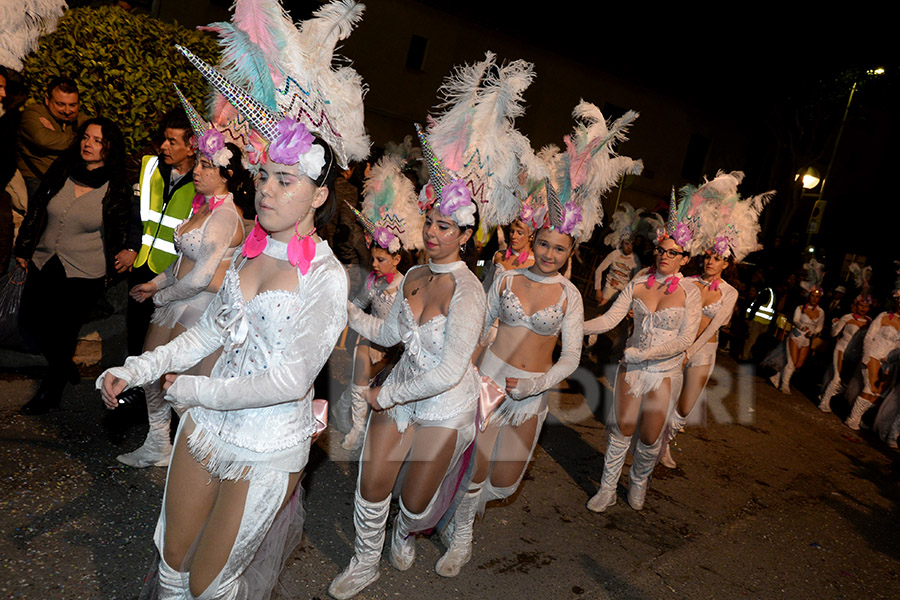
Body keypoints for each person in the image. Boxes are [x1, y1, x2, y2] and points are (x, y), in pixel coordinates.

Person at [97, 1, 371, 596]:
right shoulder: (251, 248)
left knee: (207, 584)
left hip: (267, 445)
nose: (267, 190)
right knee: (172, 566)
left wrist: (192, 389)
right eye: (264, 176)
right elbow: (212, 331)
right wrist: (138, 366)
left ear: (320, 195)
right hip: (205, 427)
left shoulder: (327, 279)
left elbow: (289, 380)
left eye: (285, 180)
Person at [328, 52, 533, 599]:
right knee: (372, 483)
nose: (436, 234)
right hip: (401, 396)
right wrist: (345, 310)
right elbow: (393, 334)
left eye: (446, 226)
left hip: (442, 401)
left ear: (465, 234)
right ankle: (364, 560)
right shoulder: (414, 272)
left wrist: (383, 392)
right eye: (432, 223)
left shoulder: (468, 291)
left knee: (415, 502)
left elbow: (445, 372)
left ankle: (406, 527)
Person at [435, 99, 641, 578]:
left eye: (559, 248)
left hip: (531, 389)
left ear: (572, 249)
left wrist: (538, 384)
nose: (548, 253)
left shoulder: (569, 295)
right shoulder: (505, 278)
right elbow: (483, 325)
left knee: (505, 481)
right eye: (544, 244)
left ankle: (463, 508)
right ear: (537, 242)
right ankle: (460, 531)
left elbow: (572, 356)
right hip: (489, 379)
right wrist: (467, 366)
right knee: (477, 468)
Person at [116, 91, 254, 468]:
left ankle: (196, 454)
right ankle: (159, 440)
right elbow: (180, 262)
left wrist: (163, 296)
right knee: (150, 370)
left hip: (199, 307)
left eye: (208, 166)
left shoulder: (224, 217)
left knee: (179, 383)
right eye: (201, 163)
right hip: (176, 298)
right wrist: (156, 285)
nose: (198, 170)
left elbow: (202, 277)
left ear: (226, 175)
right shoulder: (200, 206)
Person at [583, 191, 701, 513]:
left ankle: (638, 479)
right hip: (631, 369)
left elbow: (685, 339)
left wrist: (644, 356)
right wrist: (576, 326)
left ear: (685, 258)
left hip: (663, 373)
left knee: (649, 438)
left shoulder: (691, 292)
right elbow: (610, 318)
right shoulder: (638, 282)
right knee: (623, 428)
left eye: (673, 252)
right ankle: (607, 489)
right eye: (661, 250)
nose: (664, 256)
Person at [14, 117, 131, 414]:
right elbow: (37, 207)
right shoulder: (62, 169)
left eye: (97, 141)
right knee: (29, 321)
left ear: (109, 148)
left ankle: (50, 394)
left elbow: (128, 223)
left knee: (64, 331)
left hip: (85, 271)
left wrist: (129, 249)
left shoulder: (116, 184)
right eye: (86, 137)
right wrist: (24, 247)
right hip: (45, 260)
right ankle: (63, 365)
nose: (88, 144)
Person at [658, 172, 770, 468]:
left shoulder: (730, 293)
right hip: (676, 348)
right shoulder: (687, 281)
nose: (710, 261)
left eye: (717, 258)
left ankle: (666, 441)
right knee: (665, 399)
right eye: (708, 256)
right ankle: (654, 441)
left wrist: (689, 353)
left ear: (727, 262)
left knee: (685, 405)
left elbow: (714, 326)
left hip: (701, 352)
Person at [337, 154, 422, 451]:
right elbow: (359, 304)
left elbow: (405, 328)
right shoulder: (373, 281)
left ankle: (362, 420)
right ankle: (358, 429)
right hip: (370, 339)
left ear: (397, 258)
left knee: (366, 368)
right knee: (361, 357)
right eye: (372, 258)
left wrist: (389, 352)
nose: (373, 263)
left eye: (381, 259)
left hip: (396, 348)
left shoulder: (404, 286)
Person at [127, 108, 197, 356]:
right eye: (164, 139)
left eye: (172, 141)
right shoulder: (150, 168)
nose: (164, 146)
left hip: (174, 273)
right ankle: (130, 388)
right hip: (142, 264)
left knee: (161, 342)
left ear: (191, 147)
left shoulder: (202, 180)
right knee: (135, 335)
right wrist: (131, 247)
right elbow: (136, 213)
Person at [16, 76, 88, 201]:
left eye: (72, 105)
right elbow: (43, 139)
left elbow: (102, 139)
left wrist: (58, 139)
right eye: (60, 104)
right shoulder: (32, 113)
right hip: (37, 178)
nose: (67, 111)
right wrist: (81, 140)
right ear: (47, 100)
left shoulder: (81, 120)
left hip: (70, 181)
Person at [845, 296, 900, 430]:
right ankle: (852, 418)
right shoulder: (884, 316)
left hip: (889, 361)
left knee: (879, 394)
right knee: (870, 389)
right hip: (874, 354)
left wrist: (892, 358)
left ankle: (859, 417)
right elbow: (869, 336)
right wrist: (866, 357)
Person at [818, 295, 872, 412]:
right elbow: (833, 334)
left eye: (866, 306)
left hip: (855, 354)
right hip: (842, 349)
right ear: (856, 305)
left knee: (845, 383)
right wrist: (834, 324)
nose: (863, 308)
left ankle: (827, 394)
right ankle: (824, 402)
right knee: (836, 377)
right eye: (861, 305)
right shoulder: (847, 317)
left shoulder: (869, 322)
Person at [769, 287, 824, 394]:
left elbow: (819, 326)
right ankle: (784, 385)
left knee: (798, 364)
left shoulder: (821, 312)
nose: (814, 299)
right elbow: (795, 320)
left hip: (807, 340)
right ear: (809, 296)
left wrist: (813, 332)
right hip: (796, 336)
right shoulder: (800, 308)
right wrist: (803, 327)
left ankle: (776, 377)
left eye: (817, 297)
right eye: (812, 296)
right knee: (792, 363)